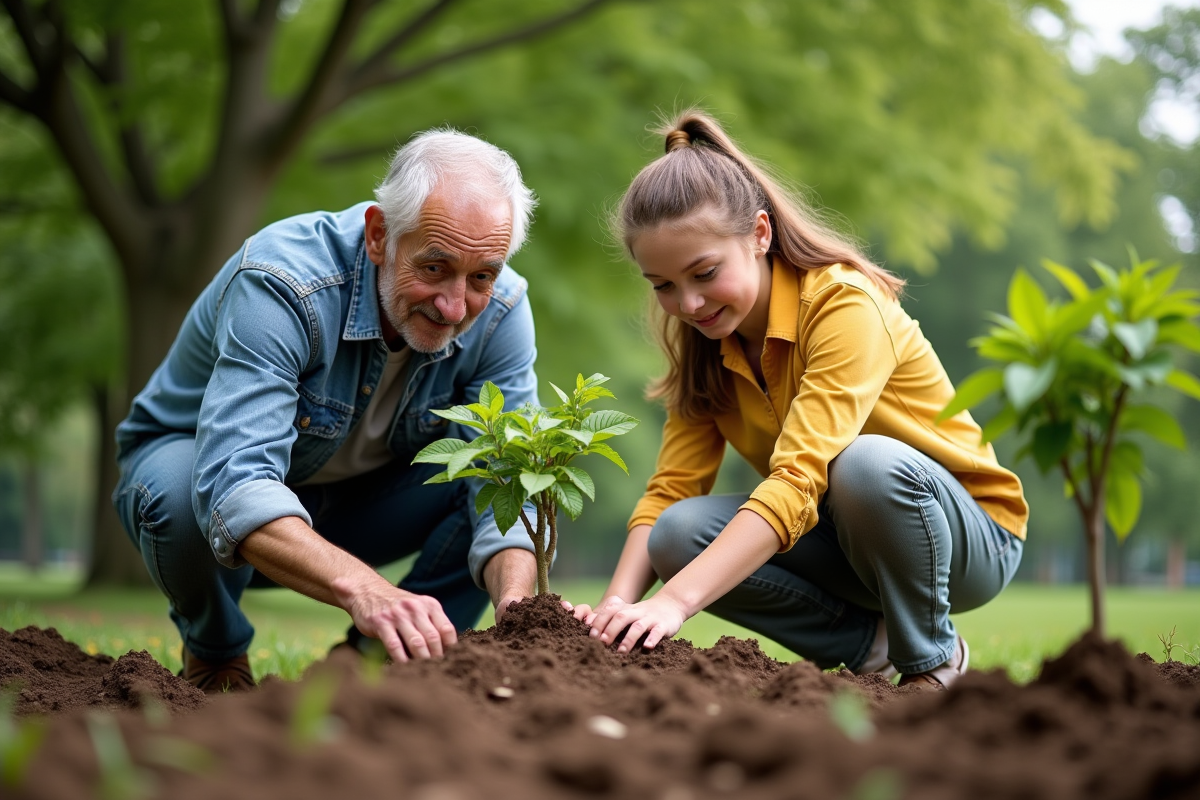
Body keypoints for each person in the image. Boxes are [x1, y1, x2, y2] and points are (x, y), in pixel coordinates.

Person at [570, 111, 1028, 690]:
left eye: (704, 272)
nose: (687, 303)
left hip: (964, 537)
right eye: (662, 285)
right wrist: (617, 608)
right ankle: (874, 647)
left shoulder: (842, 304)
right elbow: (672, 491)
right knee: (675, 534)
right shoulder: (706, 338)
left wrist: (674, 604)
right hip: (841, 540)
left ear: (760, 235)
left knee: (863, 464)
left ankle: (934, 661)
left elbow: (799, 477)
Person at [113, 129, 543, 693]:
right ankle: (216, 656)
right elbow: (234, 487)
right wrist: (368, 591)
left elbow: (510, 478)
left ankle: (370, 668)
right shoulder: (283, 283)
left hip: (364, 504)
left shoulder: (503, 308)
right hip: (204, 496)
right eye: (434, 267)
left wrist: (518, 606)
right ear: (379, 235)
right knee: (176, 494)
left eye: (482, 275)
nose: (456, 305)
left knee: (495, 481)